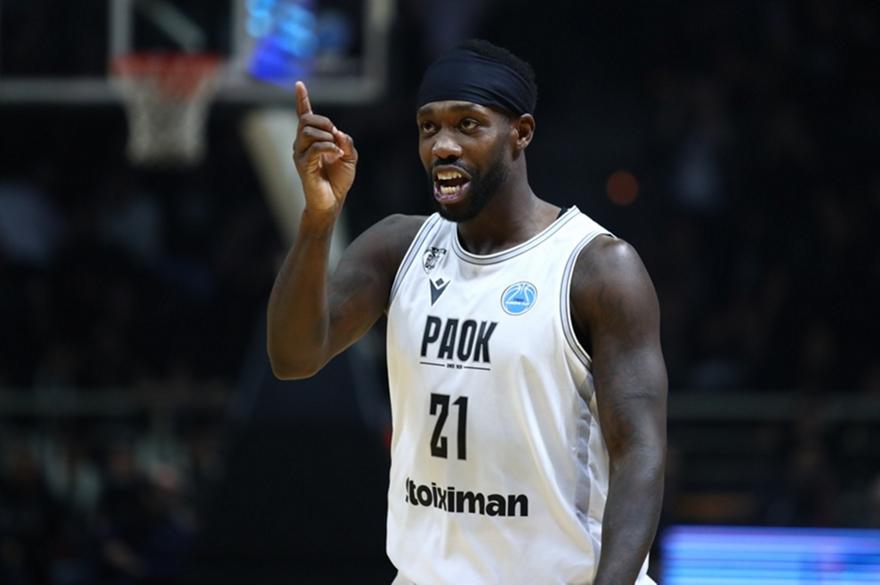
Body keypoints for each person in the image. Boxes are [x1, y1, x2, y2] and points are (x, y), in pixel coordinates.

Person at [267, 39, 667, 585]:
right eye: (428, 127)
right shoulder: (396, 247)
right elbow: (293, 358)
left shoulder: (597, 268)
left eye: (468, 124)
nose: (443, 145)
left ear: (520, 132)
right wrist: (318, 219)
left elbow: (640, 452)